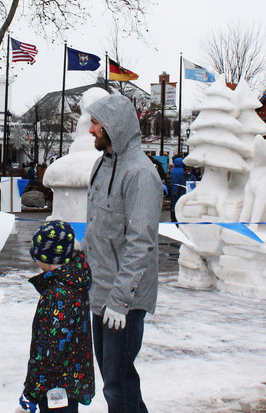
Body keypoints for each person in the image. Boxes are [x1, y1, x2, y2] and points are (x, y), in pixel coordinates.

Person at [83, 94, 162, 413]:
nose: (91, 130)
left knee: (119, 381)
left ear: (114, 127)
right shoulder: (102, 166)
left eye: (96, 123)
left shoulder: (140, 174)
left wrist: (120, 301)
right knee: (112, 378)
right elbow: (97, 225)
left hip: (123, 301)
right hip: (100, 292)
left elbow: (141, 243)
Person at [20, 220, 95, 413]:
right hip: (71, 381)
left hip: (55, 387)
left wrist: (32, 392)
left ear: (46, 256)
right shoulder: (74, 282)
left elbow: (49, 352)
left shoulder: (57, 295)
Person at [170, 157, 185, 222]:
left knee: (174, 202)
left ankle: (173, 215)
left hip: (173, 188)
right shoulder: (182, 171)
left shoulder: (173, 170)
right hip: (180, 189)